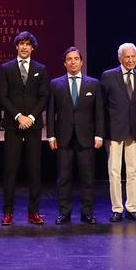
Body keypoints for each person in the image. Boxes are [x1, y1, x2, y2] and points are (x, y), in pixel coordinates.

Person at [0, 31, 50, 225]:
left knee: (34, 170)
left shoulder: (41, 69)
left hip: (34, 127)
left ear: (33, 47)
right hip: (13, 125)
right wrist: (19, 116)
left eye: (28, 44)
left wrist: (32, 117)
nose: (24, 47)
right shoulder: (6, 68)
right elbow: (2, 96)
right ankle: (8, 212)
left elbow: (44, 96)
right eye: (21, 44)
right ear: (16, 46)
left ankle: (33, 211)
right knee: (10, 170)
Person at [47, 47, 104, 224]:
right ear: (64, 63)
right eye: (69, 59)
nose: (73, 62)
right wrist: (51, 136)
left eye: (76, 59)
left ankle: (87, 212)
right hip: (63, 138)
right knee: (64, 178)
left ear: (81, 62)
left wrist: (99, 135)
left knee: (87, 178)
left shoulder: (93, 84)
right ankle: (65, 213)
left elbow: (99, 112)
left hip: (86, 138)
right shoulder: (55, 84)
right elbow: (51, 112)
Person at [100, 43, 136, 222]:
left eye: (133, 56)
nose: (131, 60)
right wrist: (102, 131)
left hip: (134, 130)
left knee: (134, 171)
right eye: (127, 57)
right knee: (114, 171)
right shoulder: (108, 76)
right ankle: (117, 209)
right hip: (114, 131)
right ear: (120, 58)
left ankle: (132, 208)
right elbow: (102, 106)